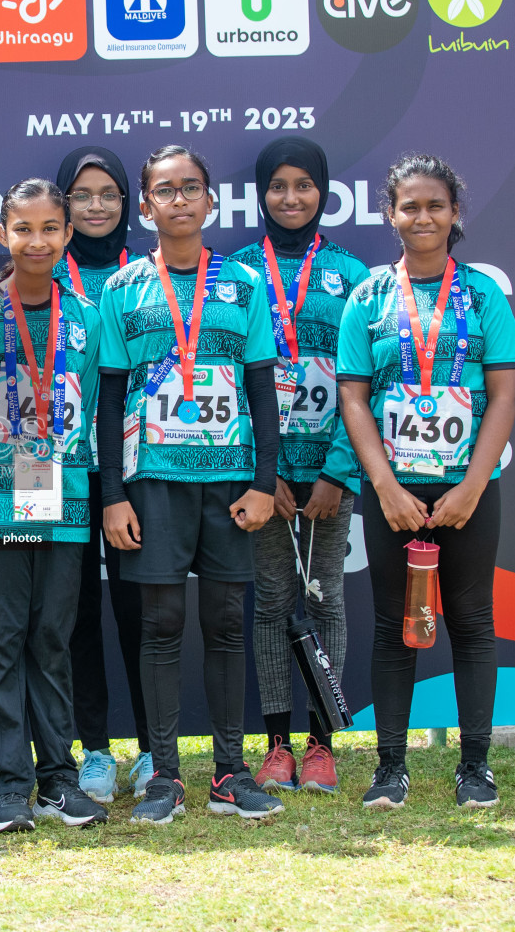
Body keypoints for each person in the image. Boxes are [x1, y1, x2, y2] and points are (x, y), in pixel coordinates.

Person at [97, 144, 285, 823]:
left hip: (231, 483)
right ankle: (165, 776)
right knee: (162, 623)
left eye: (192, 188)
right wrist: (113, 494)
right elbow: (108, 400)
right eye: (165, 190)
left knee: (229, 622)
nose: (179, 200)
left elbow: (263, 390)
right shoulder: (121, 290)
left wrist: (266, 482)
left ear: (211, 201)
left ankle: (231, 772)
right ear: (145, 206)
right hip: (152, 484)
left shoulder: (242, 285)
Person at [338, 154, 515, 810]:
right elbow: (353, 397)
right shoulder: (368, 297)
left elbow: (502, 394)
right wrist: (382, 485)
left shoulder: (483, 294)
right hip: (395, 493)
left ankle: (475, 767)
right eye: (409, 206)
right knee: (394, 625)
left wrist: (473, 484)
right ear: (390, 215)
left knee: (472, 621)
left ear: (455, 214)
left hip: (468, 490)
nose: (422, 216)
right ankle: (390, 769)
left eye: (434, 205)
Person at [0, 178, 109, 833]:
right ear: (2, 236)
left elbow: (90, 406)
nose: (37, 241)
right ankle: (9, 787)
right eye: (24, 229)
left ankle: (58, 781)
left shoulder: (86, 317)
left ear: (68, 235)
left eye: (50, 228)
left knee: (51, 641)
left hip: (64, 504)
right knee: (2, 644)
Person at [228, 137, 371, 795]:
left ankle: (321, 745)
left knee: (327, 602)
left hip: (329, 480)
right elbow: (225, 380)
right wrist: (267, 475)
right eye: (278, 186)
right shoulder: (233, 274)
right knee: (273, 605)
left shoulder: (353, 274)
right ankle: (278, 745)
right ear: (261, 192)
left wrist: (338, 474)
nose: (290, 198)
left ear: (323, 191)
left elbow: (362, 384)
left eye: (303, 186)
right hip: (266, 481)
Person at [52, 146, 153, 803]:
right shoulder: (36, 272)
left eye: (108, 194)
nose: (95, 206)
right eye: (82, 194)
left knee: (141, 605)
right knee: (68, 609)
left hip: (134, 464)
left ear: (126, 204)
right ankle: (91, 751)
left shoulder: (146, 277)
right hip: (50, 469)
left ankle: (153, 748)